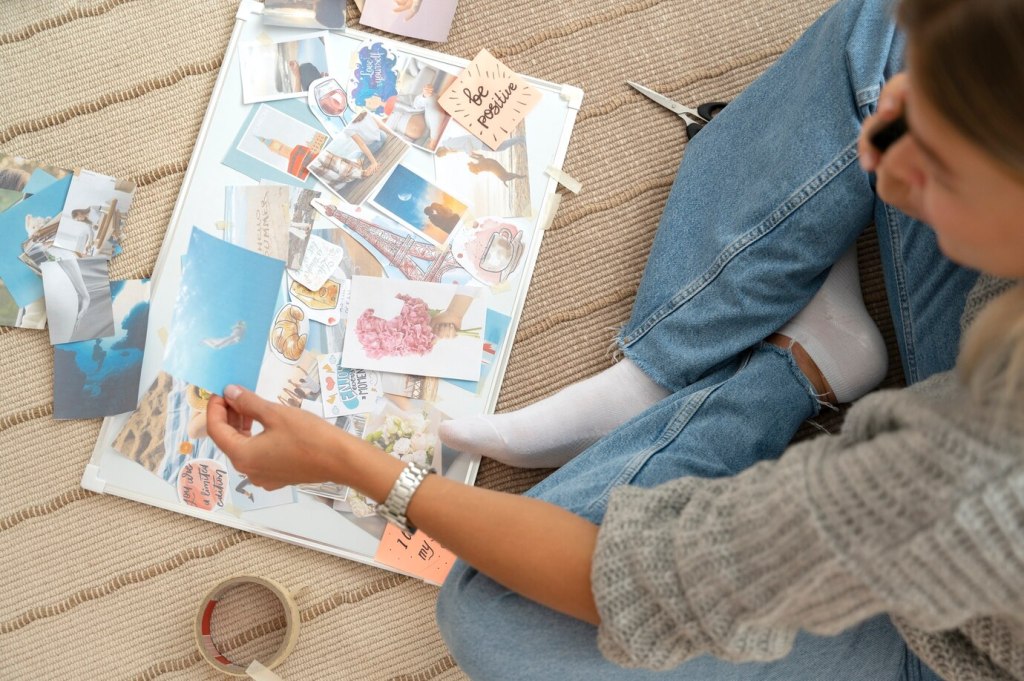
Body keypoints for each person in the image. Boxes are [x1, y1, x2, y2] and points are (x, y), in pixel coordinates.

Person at [207, 0, 1024, 679]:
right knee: (893, 30)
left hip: (949, 628)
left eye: (935, 164)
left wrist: (352, 463)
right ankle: (659, 374)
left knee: (493, 612)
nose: (879, 142)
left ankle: (796, 365)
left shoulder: (953, 482)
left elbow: (641, 583)